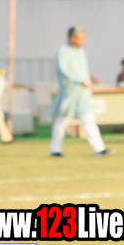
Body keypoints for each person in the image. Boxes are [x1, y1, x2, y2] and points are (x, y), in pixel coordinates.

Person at [50, 27, 111, 158]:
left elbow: (83, 70)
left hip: (83, 93)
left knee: (89, 119)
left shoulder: (81, 51)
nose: (84, 41)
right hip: (69, 92)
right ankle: (55, 150)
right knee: (62, 121)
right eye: (81, 38)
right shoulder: (62, 51)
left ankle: (99, 149)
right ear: (72, 38)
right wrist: (78, 81)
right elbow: (64, 70)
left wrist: (89, 79)